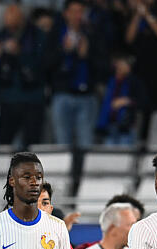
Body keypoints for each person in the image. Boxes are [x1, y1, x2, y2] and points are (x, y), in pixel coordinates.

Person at [0, 5, 48, 147]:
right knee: (3, 144)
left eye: (11, 13)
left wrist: (20, 54)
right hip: (8, 98)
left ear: (21, 17)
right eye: (6, 13)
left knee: (31, 146)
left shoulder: (36, 35)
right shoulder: (1, 35)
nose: (6, 17)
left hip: (32, 99)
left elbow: (43, 65)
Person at [50, 0, 106, 149]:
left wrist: (86, 55)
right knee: (62, 147)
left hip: (87, 97)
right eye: (74, 11)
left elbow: (104, 66)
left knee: (86, 146)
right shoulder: (55, 34)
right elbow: (45, 64)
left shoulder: (93, 35)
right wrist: (63, 51)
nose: (77, 16)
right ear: (66, 14)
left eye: (81, 12)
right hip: (62, 95)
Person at [125, 0, 157, 113]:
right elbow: (129, 38)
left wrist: (148, 16)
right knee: (139, 103)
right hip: (142, 64)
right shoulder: (139, 8)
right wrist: (138, 16)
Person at [95, 53, 146, 146]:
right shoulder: (109, 80)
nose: (119, 66)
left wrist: (127, 101)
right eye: (118, 63)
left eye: (123, 64)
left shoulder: (134, 82)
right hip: (108, 127)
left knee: (125, 155)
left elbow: (143, 102)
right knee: (109, 156)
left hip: (126, 128)